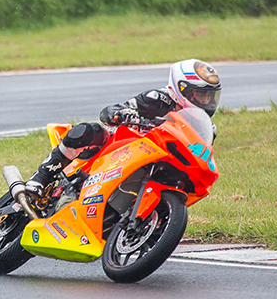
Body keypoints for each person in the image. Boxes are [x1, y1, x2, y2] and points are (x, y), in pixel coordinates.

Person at [24, 59, 221, 197]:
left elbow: (199, 154)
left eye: (209, 97)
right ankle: (41, 177)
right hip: (125, 147)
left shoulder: (207, 128)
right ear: (181, 88)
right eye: (200, 95)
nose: (205, 101)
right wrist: (123, 114)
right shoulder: (157, 99)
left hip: (160, 162)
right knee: (89, 131)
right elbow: (113, 112)